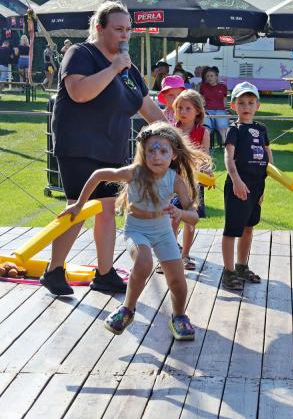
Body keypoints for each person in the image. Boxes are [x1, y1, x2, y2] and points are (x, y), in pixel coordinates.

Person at [40, 0, 166, 297]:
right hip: (79, 145)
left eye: (128, 30)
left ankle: (105, 273)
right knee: (79, 205)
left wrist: (179, 140)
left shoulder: (128, 69)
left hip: (112, 148)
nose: (125, 35)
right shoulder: (80, 54)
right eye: (118, 29)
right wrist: (112, 68)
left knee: (107, 209)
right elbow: (79, 93)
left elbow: (150, 110)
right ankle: (54, 270)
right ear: (100, 28)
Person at [59, 123, 207, 340]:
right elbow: (98, 175)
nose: (156, 156)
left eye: (163, 151)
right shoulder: (134, 173)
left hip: (163, 231)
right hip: (137, 230)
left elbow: (193, 216)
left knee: (177, 280)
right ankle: (127, 310)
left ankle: (179, 316)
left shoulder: (175, 180)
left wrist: (180, 213)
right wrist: (79, 204)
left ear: (174, 155)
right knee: (144, 262)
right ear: (143, 153)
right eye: (151, 151)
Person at [222, 82, 272, 290]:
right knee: (232, 230)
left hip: (256, 186)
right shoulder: (235, 129)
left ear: (257, 105)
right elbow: (228, 157)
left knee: (248, 228)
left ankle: (242, 266)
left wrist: (264, 185)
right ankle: (228, 271)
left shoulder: (261, 129)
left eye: (251, 102)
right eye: (241, 102)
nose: (246, 107)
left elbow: (267, 154)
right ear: (233, 105)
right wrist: (236, 180)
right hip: (239, 185)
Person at [168, 89, 210, 270]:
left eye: (187, 108)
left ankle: (185, 255)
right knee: (172, 218)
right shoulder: (171, 131)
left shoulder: (203, 132)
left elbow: (205, 158)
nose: (182, 112)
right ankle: (169, 256)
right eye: (179, 108)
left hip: (193, 182)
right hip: (172, 181)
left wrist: (208, 173)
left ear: (197, 111)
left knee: (190, 220)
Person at [200, 66, 229, 148]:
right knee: (206, 127)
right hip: (207, 110)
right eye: (207, 76)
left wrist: (224, 110)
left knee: (222, 126)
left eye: (211, 76)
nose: (209, 78)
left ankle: (225, 145)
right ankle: (206, 146)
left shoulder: (223, 87)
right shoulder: (203, 87)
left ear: (216, 77)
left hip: (220, 110)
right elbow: (201, 100)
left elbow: (224, 100)